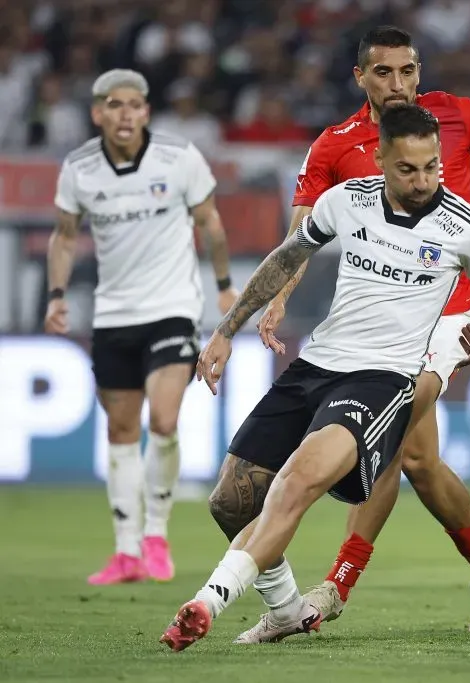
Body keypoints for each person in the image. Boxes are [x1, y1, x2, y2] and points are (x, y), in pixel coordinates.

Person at [240, 25, 470, 638]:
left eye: (409, 71)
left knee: (395, 427)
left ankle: (335, 587)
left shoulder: (459, 115)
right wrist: (278, 300)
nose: (399, 83)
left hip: (452, 314)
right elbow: (301, 235)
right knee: (420, 460)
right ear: (362, 78)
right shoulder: (335, 145)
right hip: (381, 324)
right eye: (385, 72)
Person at [160, 103, 470, 652]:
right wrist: (227, 328)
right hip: (317, 363)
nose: (423, 181)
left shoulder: (467, 227)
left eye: (431, 167)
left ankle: (206, 602)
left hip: (383, 379)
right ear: (380, 159)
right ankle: (286, 611)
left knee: (297, 479)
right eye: (408, 169)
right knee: (231, 501)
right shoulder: (346, 202)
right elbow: (284, 258)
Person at [45, 69, 237, 585]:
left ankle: (156, 532)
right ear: (98, 113)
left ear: (146, 112)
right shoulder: (80, 168)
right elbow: (64, 237)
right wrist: (57, 295)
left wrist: (223, 285)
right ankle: (126, 550)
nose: (125, 113)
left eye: (134, 104)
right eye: (114, 104)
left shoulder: (179, 158)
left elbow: (210, 222)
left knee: (165, 421)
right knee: (121, 430)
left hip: (172, 308)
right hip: (112, 315)